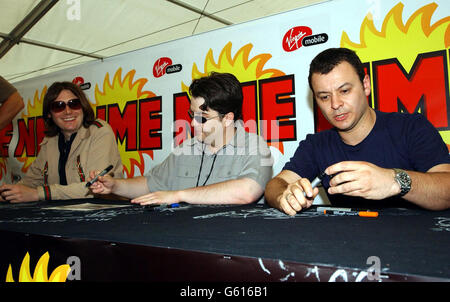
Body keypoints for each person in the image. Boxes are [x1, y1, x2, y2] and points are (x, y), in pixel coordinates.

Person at [265, 47, 450, 216]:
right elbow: (275, 186)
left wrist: (395, 181)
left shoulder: (411, 128)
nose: (335, 104)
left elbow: (446, 188)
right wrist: (285, 196)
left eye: (344, 91)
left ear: (365, 85)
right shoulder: (317, 145)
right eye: (324, 97)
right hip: (348, 246)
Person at [89, 72, 273, 206]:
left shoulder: (255, 146)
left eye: (202, 117)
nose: (193, 123)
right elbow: (150, 184)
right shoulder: (186, 148)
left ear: (227, 118)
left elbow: (247, 191)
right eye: (191, 114)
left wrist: (178, 195)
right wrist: (114, 186)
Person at [0, 81, 123, 203]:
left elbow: (95, 187)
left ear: (83, 107)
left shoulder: (100, 132)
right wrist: (8, 193)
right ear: (49, 114)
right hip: (64, 213)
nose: (68, 111)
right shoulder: (50, 141)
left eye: (74, 104)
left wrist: (39, 194)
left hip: (103, 210)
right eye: (58, 106)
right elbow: (31, 181)